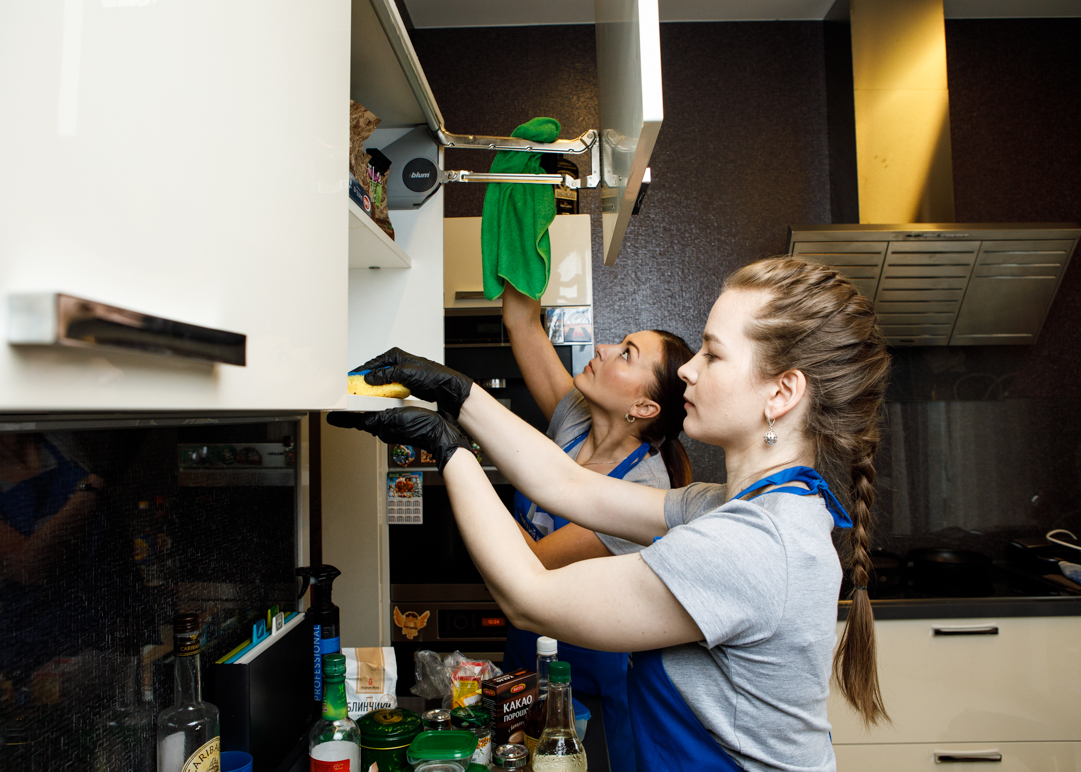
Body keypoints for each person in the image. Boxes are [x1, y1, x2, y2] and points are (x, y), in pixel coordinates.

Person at [332, 256, 891, 772]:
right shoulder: (739, 507)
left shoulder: (752, 545)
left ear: (781, 393)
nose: (689, 371)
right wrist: (456, 392)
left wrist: (448, 448)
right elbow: (568, 483)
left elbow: (529, 597)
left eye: (713, 354)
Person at [498, 282, 694, 772]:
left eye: (626, 354)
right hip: (524, 664)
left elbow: (530, 565)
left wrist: (458, 463)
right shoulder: (576, 419)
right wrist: (524, 230)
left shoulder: (643, 494)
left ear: (644, 408)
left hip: (589, 696)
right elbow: (522, 322)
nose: (604, 349)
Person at [0, 433, 105, 680]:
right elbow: (28, 565)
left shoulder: (66, 442)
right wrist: (92, 488)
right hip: (36, 651)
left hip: (111, 626)